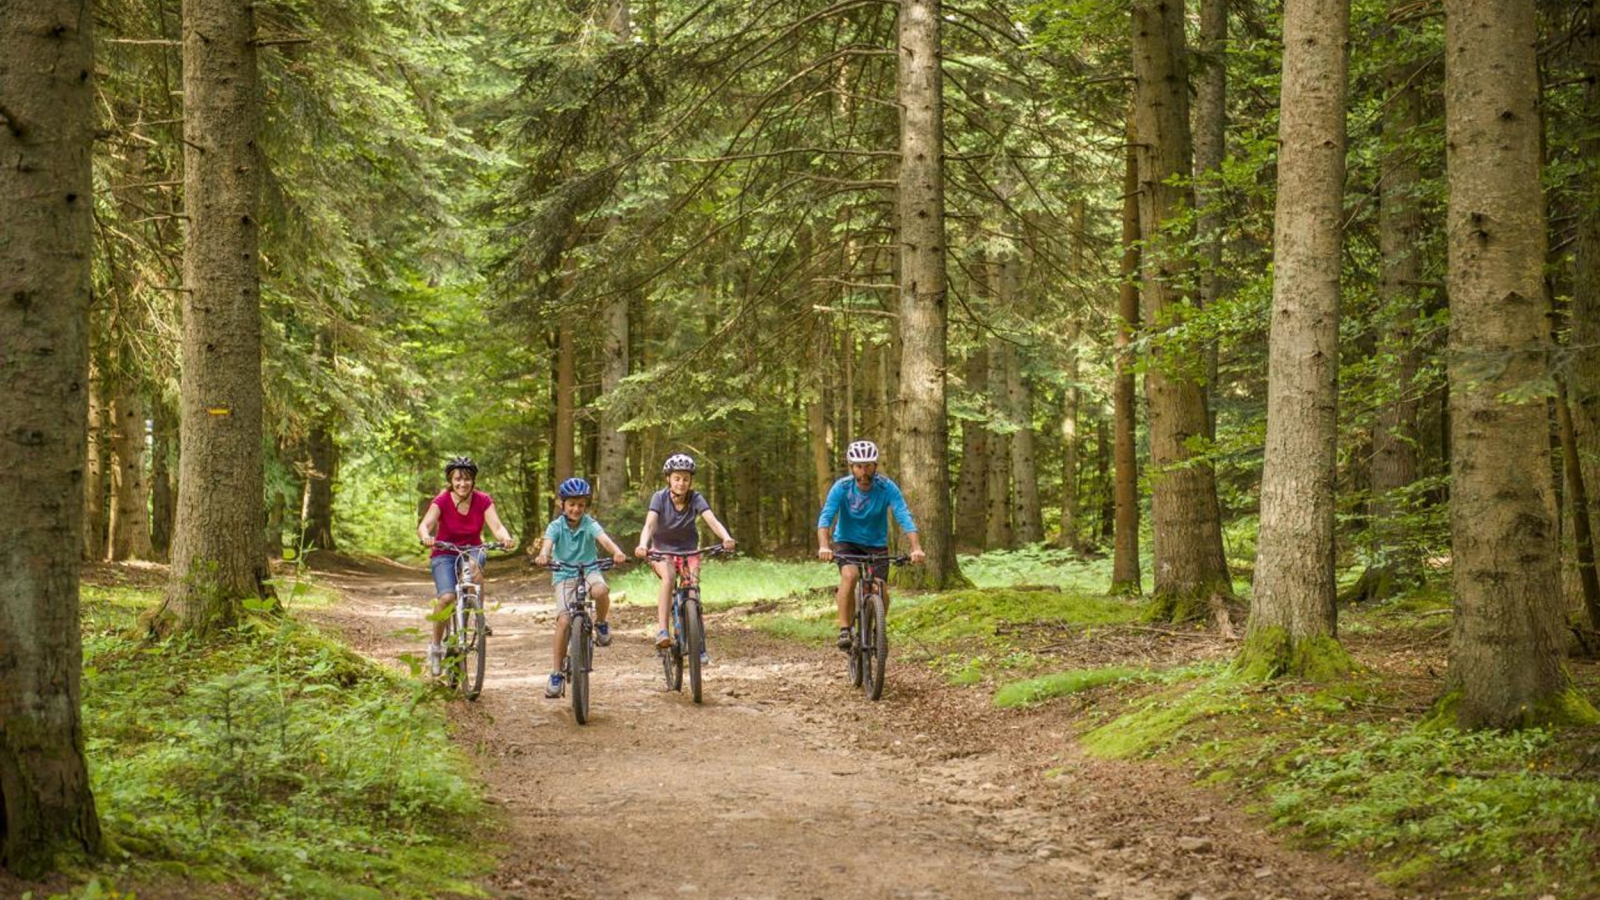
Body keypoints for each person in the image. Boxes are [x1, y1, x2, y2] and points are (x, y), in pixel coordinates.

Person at [816, 440, 926, 650]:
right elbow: (826, 517)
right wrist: (824, 546)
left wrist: (916, 548)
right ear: (851, 467)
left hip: (876, 544)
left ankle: (877, 629)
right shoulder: (842, 488)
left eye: (868, 465)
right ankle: (845, 629)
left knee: (880, 588)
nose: (863, 471)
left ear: (875, 466)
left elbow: (903, 515)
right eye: (859, 466)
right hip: (846, 542)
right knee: (850, 575)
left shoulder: (886, 487)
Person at [417, 456, 515, 677]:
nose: (463, 484)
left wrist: (506, 538)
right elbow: (426, 524)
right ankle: (435, 648)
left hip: (472, 549)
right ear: (451, 481)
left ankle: (477, 616)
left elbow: (497, 526)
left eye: (467, 479)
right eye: (458, 479)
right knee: (447, 598)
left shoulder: (482, 500)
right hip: (444, 552)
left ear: (473, 480)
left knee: (474, 567)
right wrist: (426, 536)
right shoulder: (441, 500)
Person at [534, 477, 629, 699]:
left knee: (600, 591)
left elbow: (603, 539)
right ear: (562, 505)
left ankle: (602, 623)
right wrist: (543, 556)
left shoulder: (589, 523)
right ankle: (556, 673)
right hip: (564, 574)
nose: (576, 509)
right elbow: (547, 545)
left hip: (589, 569)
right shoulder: (556, 526)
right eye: (572, 504)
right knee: (564, 621)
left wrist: (616, 552)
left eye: (581, 505)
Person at [634, 454, 736, 650]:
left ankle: (699, 644)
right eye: (677, 478)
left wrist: (726, 538)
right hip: (662, 552)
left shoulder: (695, 498)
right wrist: (642, 545)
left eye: (686, 479)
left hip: (689, 552)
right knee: (669, 578)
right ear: (668, 479)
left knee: (693, 592)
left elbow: (712, 520)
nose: (681, 483)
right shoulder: (659, 498)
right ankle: (663, 630)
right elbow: (649, 525)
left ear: (691, 481)